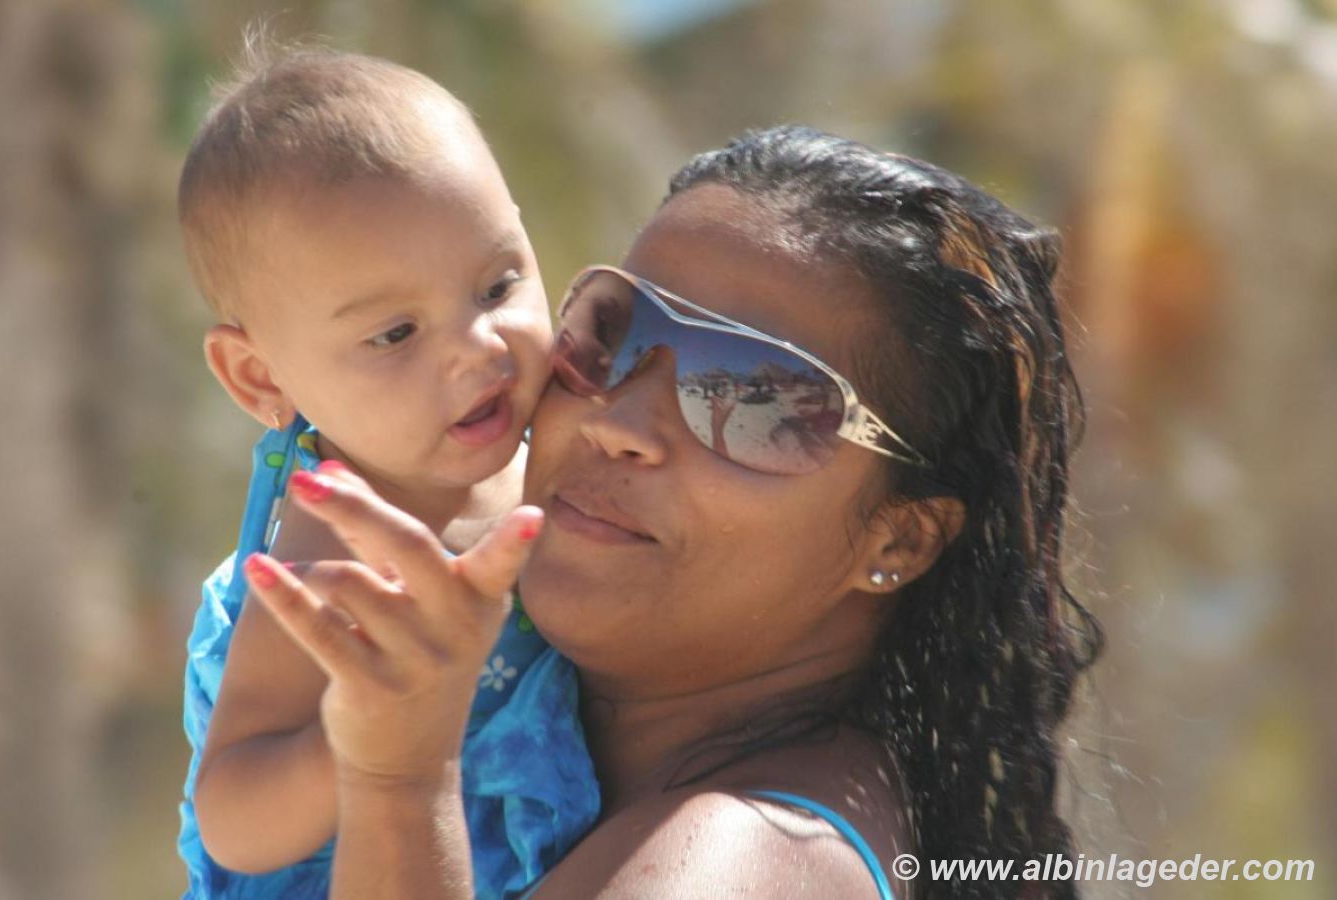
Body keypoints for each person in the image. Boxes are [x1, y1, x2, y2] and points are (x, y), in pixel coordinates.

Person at [246, 126, 1104, 899]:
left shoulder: (742, 859)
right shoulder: (526, 738)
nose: (617, 423)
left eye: (755, 396)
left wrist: (399, 783)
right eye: (611, 334)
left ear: (900, 539)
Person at [175, 45, 597, 899]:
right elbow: (232, 816)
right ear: (261, 378)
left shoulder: (559, 440)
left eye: (497, 285)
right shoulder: (329, 555)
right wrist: (367, 734)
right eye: (395, 334)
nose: (478, 347)